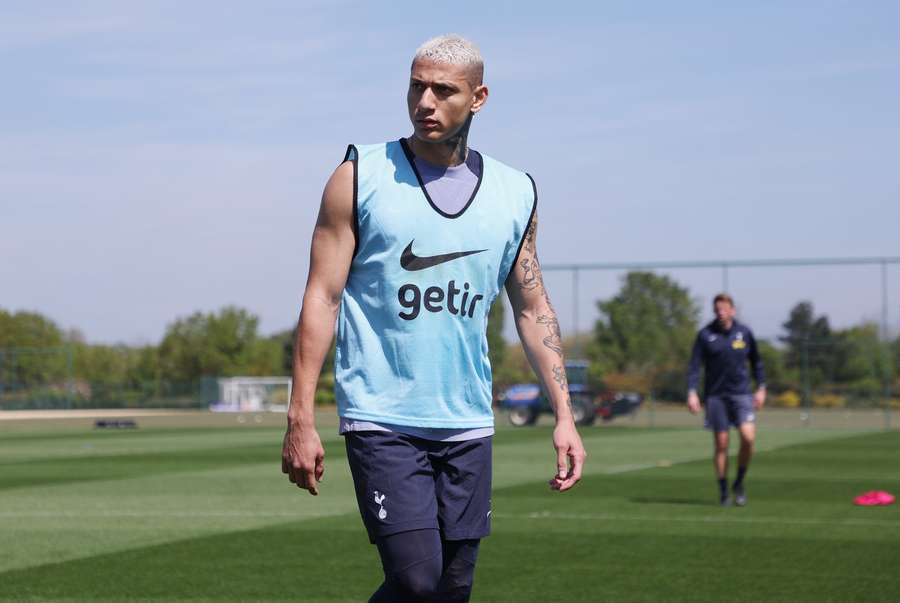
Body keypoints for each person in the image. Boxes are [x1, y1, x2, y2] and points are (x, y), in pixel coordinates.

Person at [281, 34, 587, 602]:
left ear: (479, 98)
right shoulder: (359, 175)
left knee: (451, 589)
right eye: (416, 86)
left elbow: (532, 307)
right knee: (417, 582)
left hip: (468, 421)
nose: (425, 101)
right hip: (383, 416)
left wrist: (564, 415)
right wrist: (300, 415)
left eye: (443, 90)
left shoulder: (515, 192)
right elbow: (321, 297)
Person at [687, 293, 766, 506]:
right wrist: (692, 391)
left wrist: (761, 388)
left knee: (748, 438)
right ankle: (723, 491)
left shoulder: (744, 333)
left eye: (724, 309)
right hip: (716, 396)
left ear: (732, 310)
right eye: (717, 309)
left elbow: (757, 363)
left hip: (742, 394)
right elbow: (695, 366)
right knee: (721, 443)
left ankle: (738, 483)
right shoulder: (705, 335)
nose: (720, 313)